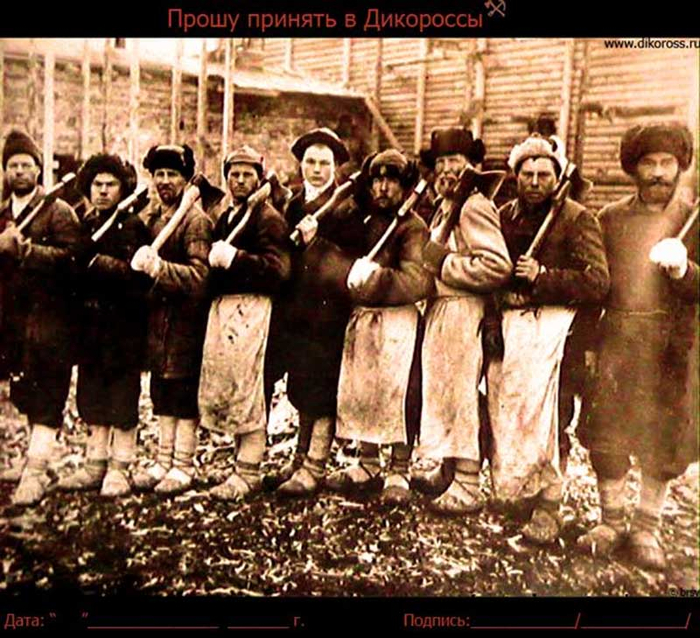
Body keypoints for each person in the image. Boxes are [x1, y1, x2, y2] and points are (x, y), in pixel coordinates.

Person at [578, 123, 698, 570]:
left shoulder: (694, 219)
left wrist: (685, 271)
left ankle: (647, 528)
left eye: (667, 162)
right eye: (649, 163)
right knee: (607, 434)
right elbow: (595, 286)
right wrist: (589, 343)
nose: (659, 172)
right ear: (633, 168)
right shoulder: (610, 218)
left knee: (661, 438)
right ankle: (610, 522)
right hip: (618, 338)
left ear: (680, 167)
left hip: (671, 343)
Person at [488, 134, 609, 543]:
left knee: (551, 420)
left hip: (558, 334)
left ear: (557, 179)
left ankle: (550, 506)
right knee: (513, 413)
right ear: (516, 177)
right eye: (528, 174)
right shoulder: (503, 216)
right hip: (512, 328)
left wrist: (543, 277)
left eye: (544, 174)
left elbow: (598, 282)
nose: (536, 182)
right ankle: (523, 491)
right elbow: (492, 272)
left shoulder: (576, 218)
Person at [328, 149, 434, 505]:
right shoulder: (364, 220)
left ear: (405, 186)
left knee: (397, 393)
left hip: (397, 322)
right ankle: (368, 461)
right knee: (364, 390)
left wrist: (375, 278)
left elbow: (416, 280)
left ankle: (399, 468)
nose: (383, 188)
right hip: (364, 317)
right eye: (377, 180)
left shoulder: (413, 227)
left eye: (391, 181)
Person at [417, 126, 512, 515]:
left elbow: (497, 266)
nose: (446, 170)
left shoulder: (473, 205)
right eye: (440, 162)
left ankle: (468, 483)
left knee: (460, 395)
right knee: (443, 392)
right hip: (442, 309)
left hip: (464, 309)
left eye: (454, 161)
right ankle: (449, 469)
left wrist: (445, 265)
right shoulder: (446, 205)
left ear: (471, 165)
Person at [266, 128, 366, 495]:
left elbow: (352, 261)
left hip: (329, 313)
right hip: (297, 312)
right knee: (300, 386)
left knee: (321, 389)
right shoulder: (292, 204)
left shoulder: (348, 208)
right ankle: (299, 459)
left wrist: (318, 242)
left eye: (325, 163)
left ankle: (315, 465)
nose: (317, 170)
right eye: (310, 162)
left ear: (335, 167)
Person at [199, 146, 291, 501]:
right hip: (229, 314)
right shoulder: (228, 217)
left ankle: (249, 472)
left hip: (255, 313)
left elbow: (278, 270)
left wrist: (236, 258)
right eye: (234, 174)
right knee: (235, 390)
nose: (239, 180)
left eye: (247, 175)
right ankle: (238, 466)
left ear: (259, 178)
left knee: (252, 392)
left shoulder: (268, 218)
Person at [56, 154, 149, 498]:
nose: (104, 191)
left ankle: (120, 467)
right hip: (90, 326)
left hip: (123, 327)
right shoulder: (87, 224)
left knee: (121, 397)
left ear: (123, 189)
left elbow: (137, 276)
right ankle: (95, 464)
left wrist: (99, 263)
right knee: (91, 394)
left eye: (111, 185)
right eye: (98, 184)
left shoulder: (132, 226)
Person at [0, 129, 81, 506]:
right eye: (12, 166)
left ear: (38, 170)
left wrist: (28, 251)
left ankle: (35, 472)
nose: (19, 172)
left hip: (51, 318)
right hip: (14, 320)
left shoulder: (58, 211)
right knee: (25, 391)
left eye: (25, 165)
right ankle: (38, 461)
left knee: (49, 390)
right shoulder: (3, 214)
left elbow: (73, 260)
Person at [129, 144, 212, 495]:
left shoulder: (195, 221)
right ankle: (163, 460)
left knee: (182, 395)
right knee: (162, 393)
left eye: (173, 174)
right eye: (159, 174)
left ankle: (183, 464)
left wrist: (160, 269)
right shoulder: (151, 218)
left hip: (186, 324)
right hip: (157, 322)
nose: (165, 181)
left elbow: (200, 277)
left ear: (186, 179)